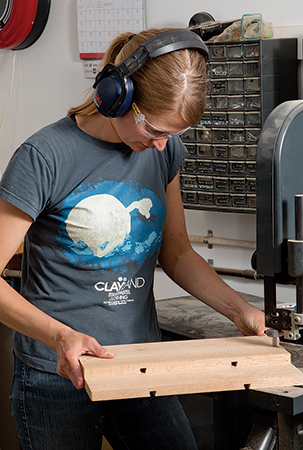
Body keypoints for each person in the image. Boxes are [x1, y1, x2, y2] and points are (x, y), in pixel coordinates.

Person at [0, 28, 267, 449]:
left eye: (172, 135)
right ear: (116, 96)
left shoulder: (164, 152)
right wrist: (60, 336)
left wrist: (240, 310)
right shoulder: (44, 157)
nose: (161, 145)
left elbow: (176, 253)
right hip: (56, 372)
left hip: (139, 362)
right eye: (155, 129)